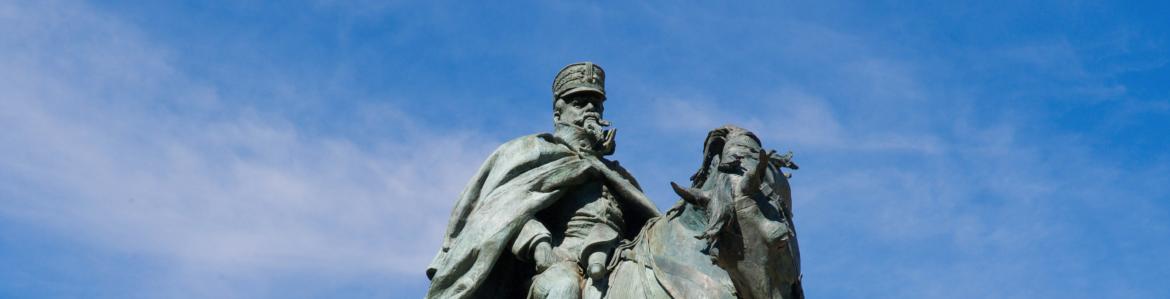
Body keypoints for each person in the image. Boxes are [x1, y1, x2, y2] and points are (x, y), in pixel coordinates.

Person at [425, 62, 660, 299]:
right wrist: (538, 243)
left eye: (596, 105)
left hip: (616, 254)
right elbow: (501, 212)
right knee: (564, 287)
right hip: (562, 260)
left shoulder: (616, 174)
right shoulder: (534, 152)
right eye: (579, 104)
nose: (591, 109)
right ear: (558, 115)